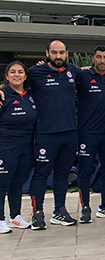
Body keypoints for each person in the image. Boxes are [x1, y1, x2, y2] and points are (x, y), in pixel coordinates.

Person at [28, 40, 80, 229]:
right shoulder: (35, 73)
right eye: (54, 52)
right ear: (47, 53)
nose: (58, 56)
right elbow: (15, 84)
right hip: (45, 134)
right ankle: (37, 213)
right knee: (41, 174)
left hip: (69, 133)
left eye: (61, 53)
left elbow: (89, 71)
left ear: (67, 54)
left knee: (62, 175)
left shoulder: (72, 72)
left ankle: (59, 211)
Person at [74, 45, 105, 223]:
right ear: (93, 59)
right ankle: (85, 208)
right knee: (85, 171)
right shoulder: (83, 76)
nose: (102, 61)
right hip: (87, 133)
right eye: (99, 57)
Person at [0, 62, 36, 232]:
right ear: (6, 76)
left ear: (25, 76)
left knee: (17, 183)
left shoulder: (30, 95)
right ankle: (0, 218)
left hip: (26, 145)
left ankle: (15, 216)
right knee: (2, 182)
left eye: (20, 72)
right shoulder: (2, 95)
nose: (17, 75)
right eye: (12, 72)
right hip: (6, 146)